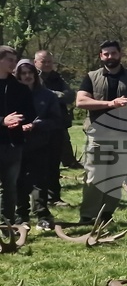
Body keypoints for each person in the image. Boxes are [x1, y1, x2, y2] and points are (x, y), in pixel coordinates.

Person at [75, 41, 127, 224]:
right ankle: (88, 216)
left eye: (113, 53)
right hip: (99, 134)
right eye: (106, 54)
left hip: (124, 134)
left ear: (120, 54)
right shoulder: (91, 77)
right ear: (101, 56)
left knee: (115, 176)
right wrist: (110, 104)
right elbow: (81, 102)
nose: (110, 57)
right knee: (94, 177)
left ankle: (107, 214)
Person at [34, 50, 81, 192]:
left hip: (57, 124)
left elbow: (70, 96)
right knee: (39, 163)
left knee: (54, 163)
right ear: (35, 62)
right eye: (44, 61)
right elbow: (35, 93)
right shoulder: (31, 76)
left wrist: (50, 95)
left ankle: (54, 196)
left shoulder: (57, 77)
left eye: (50, 61)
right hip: (37, 125)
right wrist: (54, 95)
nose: (47, 64)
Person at [10, 58, 47, 228]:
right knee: (18, 180)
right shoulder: (11, 93)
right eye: (23, 73)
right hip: (16, 143)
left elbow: (55, 119)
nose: (27, 76)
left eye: (30, 72)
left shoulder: (46, 95)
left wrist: (35, 125)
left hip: (40, 142)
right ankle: (21, 216)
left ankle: (42, 215)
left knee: (39, 180)